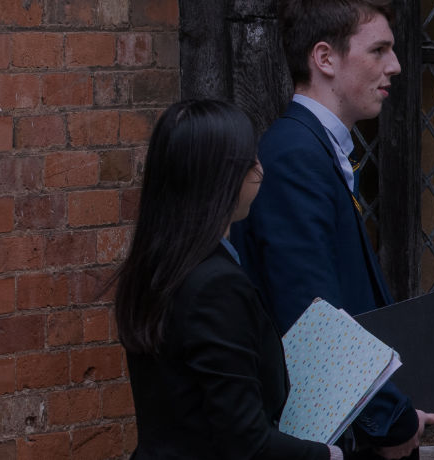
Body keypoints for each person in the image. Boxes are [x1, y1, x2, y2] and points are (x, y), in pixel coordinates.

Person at [229, 0, 434, 457]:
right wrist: (390, 423)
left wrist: (424, 373)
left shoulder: (315, 147)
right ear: (325, 58)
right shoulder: (295, 155)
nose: (395, 66)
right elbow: (312, 317)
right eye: (378, 50)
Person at [115, 99, 340, 459]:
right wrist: (329, 455)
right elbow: (247, 441)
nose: (260, 170)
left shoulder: (154, 267)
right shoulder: (214, 285)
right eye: (250, 160)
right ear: (220, 176)